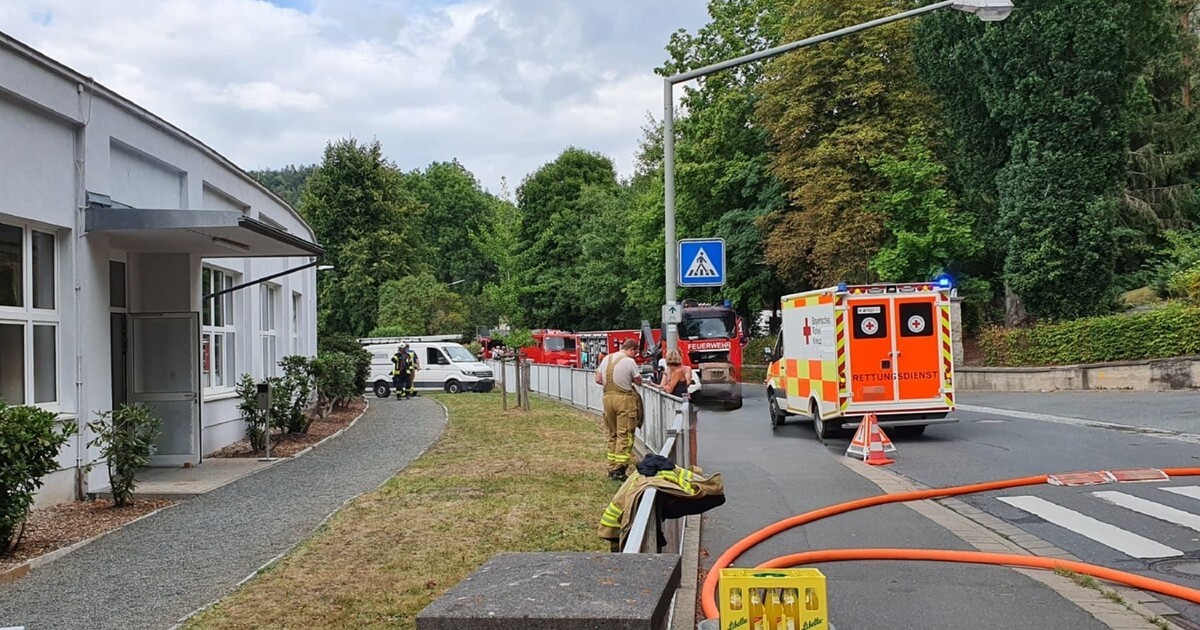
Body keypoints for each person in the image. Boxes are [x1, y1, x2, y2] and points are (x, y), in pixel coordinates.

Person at [595, 339, 643, 482]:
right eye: (635, 353)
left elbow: (598, 379)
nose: (635, 355)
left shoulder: (607, 358)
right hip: (624, 400)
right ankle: (620, 470)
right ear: (632, 350)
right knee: (625, 434)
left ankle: (611, 467)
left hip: (607, 398)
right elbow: (638, 380)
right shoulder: (629, 361)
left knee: (613, 434)